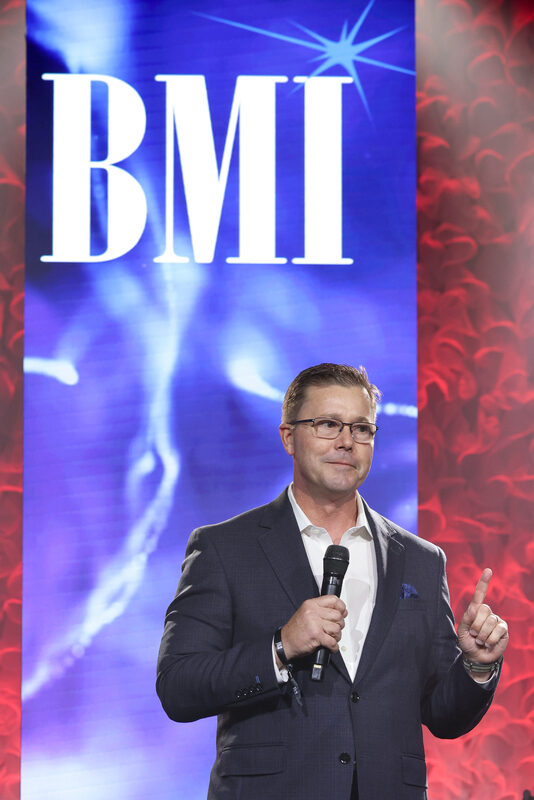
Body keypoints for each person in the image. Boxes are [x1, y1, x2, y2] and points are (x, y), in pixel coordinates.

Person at [157, 363, 509, 799]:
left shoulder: (421, 560)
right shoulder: (225, 549)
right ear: (288, 436)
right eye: (328, 424)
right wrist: (281, 646)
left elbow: (443, 715)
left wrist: (476, 664)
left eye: (362, 429)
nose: (347, 441)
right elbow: (178, 687)